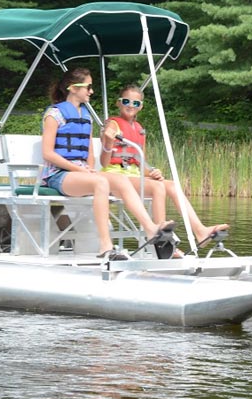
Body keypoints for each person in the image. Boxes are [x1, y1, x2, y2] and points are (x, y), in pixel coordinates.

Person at [40, 68, 174, 260]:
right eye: (88, 87)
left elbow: (89, 153)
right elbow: (47, 153)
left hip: (82, 173)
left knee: (120, 181)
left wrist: (90, 169)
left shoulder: (85, 116)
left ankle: (151, 229)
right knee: (101, 183)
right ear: (73, 87)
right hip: (58, 175)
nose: (91, 91)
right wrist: (80, 170)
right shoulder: (54, 114)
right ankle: (105, 246)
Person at [99, 84, 229, 247]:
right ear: (118, 103)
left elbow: (140, 164)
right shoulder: (112, 124)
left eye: (136, 103)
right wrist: (108, 141)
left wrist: (152, 172)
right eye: (126, 101)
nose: (131, 106)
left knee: (171, 185)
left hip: (133, 176)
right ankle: (161, 242)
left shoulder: (139, 129)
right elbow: (103, 162)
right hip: (115, 177)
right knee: (157, 188)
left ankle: (200, 231)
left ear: (141, 107)